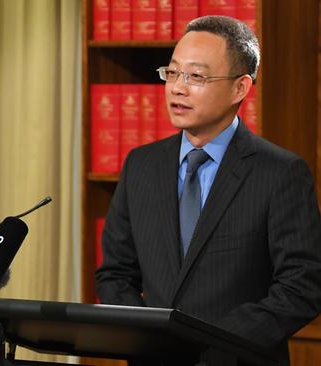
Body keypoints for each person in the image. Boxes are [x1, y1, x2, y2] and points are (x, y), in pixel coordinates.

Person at [95, 15, 321, 365]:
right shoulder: (141, 165)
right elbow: (115, 272)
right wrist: (145, 338)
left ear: (240, 88)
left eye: (196, 76)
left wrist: (213, 343)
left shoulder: (280, 172)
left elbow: (302, 286)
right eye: (172, 73)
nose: (177, 88)